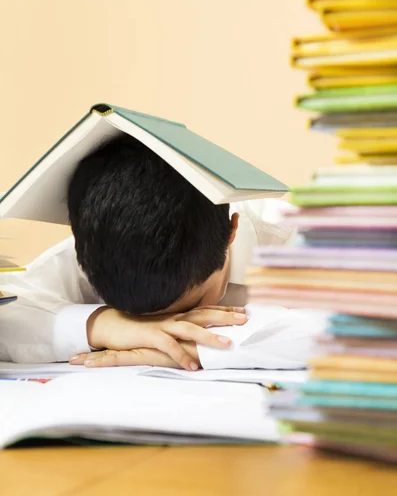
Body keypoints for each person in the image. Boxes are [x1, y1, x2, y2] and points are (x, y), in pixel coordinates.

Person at [0, 136, 294, 370]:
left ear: (231, 232)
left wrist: (203, 348)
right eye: (139, 319)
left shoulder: (294, 238)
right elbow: (9, 309)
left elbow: (337, 334)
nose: (172, 329)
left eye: (192, 307)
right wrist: (103, 325)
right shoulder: (106, 246)